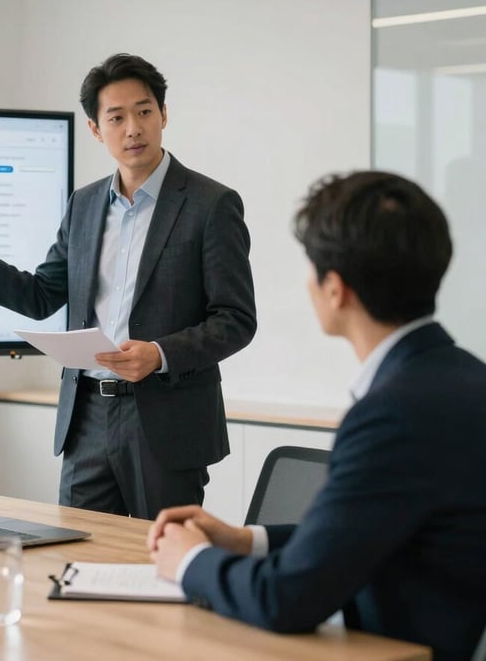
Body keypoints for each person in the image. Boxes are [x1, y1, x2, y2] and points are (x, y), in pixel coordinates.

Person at [147, 171, 486, 661]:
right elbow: (364, 531)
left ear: (336, 290)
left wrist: (191, 560)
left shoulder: (393, 413)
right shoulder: (460, 380)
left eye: (311, 268)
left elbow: (285, 599)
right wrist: (245, 540)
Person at [0, 53, 257, 519]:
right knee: (78, 559)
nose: (133, 128)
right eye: (116, 117)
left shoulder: (211, 204)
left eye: (144, 112)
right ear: (94, 129)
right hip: (86, 417)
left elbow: (236, 320)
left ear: (164, 115)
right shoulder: (84, 204)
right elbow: (43, 295)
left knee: (158, 564)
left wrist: (159, 354)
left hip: (166, 421)